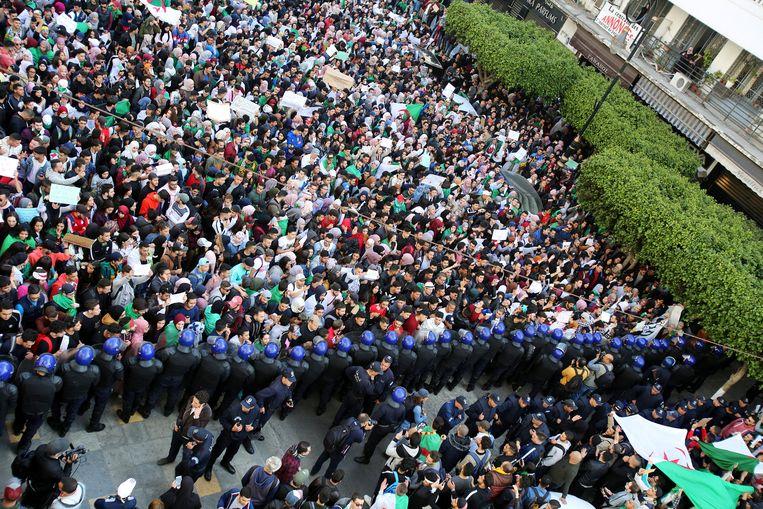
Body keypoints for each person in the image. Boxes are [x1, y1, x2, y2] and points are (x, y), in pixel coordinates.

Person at [204, 396, 260, 480]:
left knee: (232, 451)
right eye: (243, 404)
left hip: (240, 437)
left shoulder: (256, 409)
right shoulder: (233, 409)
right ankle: (208, 466)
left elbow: (257, 419)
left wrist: (252, 427)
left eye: (247, 407)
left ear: (252, 407)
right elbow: (222, 419)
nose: (243, 407)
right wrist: (231, 428)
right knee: (216, 451)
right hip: (227, 435)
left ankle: (225, 462)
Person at [19, 439, 78, 509]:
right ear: (57, 454)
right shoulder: (54, 470)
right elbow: (64, 478)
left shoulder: (41, 448)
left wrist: (60, 457)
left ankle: (24, 502)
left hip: (32, 478)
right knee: (38, 501)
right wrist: (69, 464)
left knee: (28, 495)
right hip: (41, 489)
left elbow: (51, 455)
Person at [312, 413, 375, 478]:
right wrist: (365, 430)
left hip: (333, 443)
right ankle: (326, 479)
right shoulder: (359, 433)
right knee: (332, 466)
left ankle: (314, 470)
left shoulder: (351, 419)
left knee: (322, 457)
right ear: (365, 423)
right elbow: (360, 440)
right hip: (340, 451)